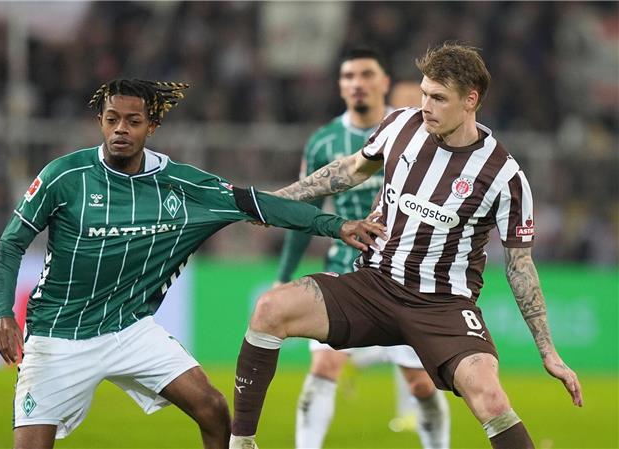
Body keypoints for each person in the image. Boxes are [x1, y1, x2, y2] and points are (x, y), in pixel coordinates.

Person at [0, 78, 376, 449]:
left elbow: (259, 203)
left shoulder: (182, 185)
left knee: (213, 408)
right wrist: (2, 313)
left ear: (152, 126)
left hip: (128, 328)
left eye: (133, 121)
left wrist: (336, 225)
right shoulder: (65, 176)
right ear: (100, 121)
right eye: (112, 119)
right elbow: (10, 244)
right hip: (58, 334)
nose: (120, 129)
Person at [229, 44, 582, 449]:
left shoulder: (504, 176)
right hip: (374, 284)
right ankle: (241, 442)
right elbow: (347, 171)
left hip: (443, 305)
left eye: (438, 98)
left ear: (471, 100)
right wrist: (278, 202)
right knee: (269, 309)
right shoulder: (401, 125)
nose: (425, 106)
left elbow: (520, 267)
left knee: (490, 397)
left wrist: (548, 351)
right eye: (424, 93)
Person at [275, 49, 449, 449]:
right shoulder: (323, 142)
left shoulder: (416, 131)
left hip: (403, 273)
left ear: (384, 82)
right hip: (345, 268)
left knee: (422, 384)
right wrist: (283, 277)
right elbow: (307, 214)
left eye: (366, 74)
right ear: (340, 86)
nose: (357, 82)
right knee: (324, 366)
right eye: (348, 76)